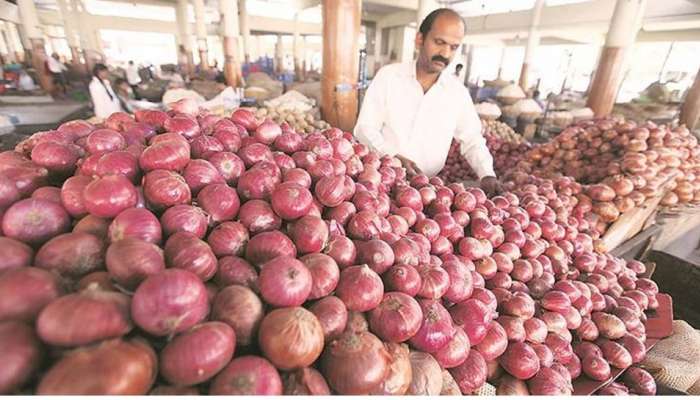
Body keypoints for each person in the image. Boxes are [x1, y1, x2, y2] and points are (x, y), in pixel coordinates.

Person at [354, 8, 502, 195]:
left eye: (454, 47)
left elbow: (472, 139)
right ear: (420, 39)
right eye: (439, 42)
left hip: (428, 192)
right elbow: (365, 128)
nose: (445, 53)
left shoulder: (457, 93)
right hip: (381, 180)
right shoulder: (389, 77)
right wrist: (390, 156)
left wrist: (487, 173)